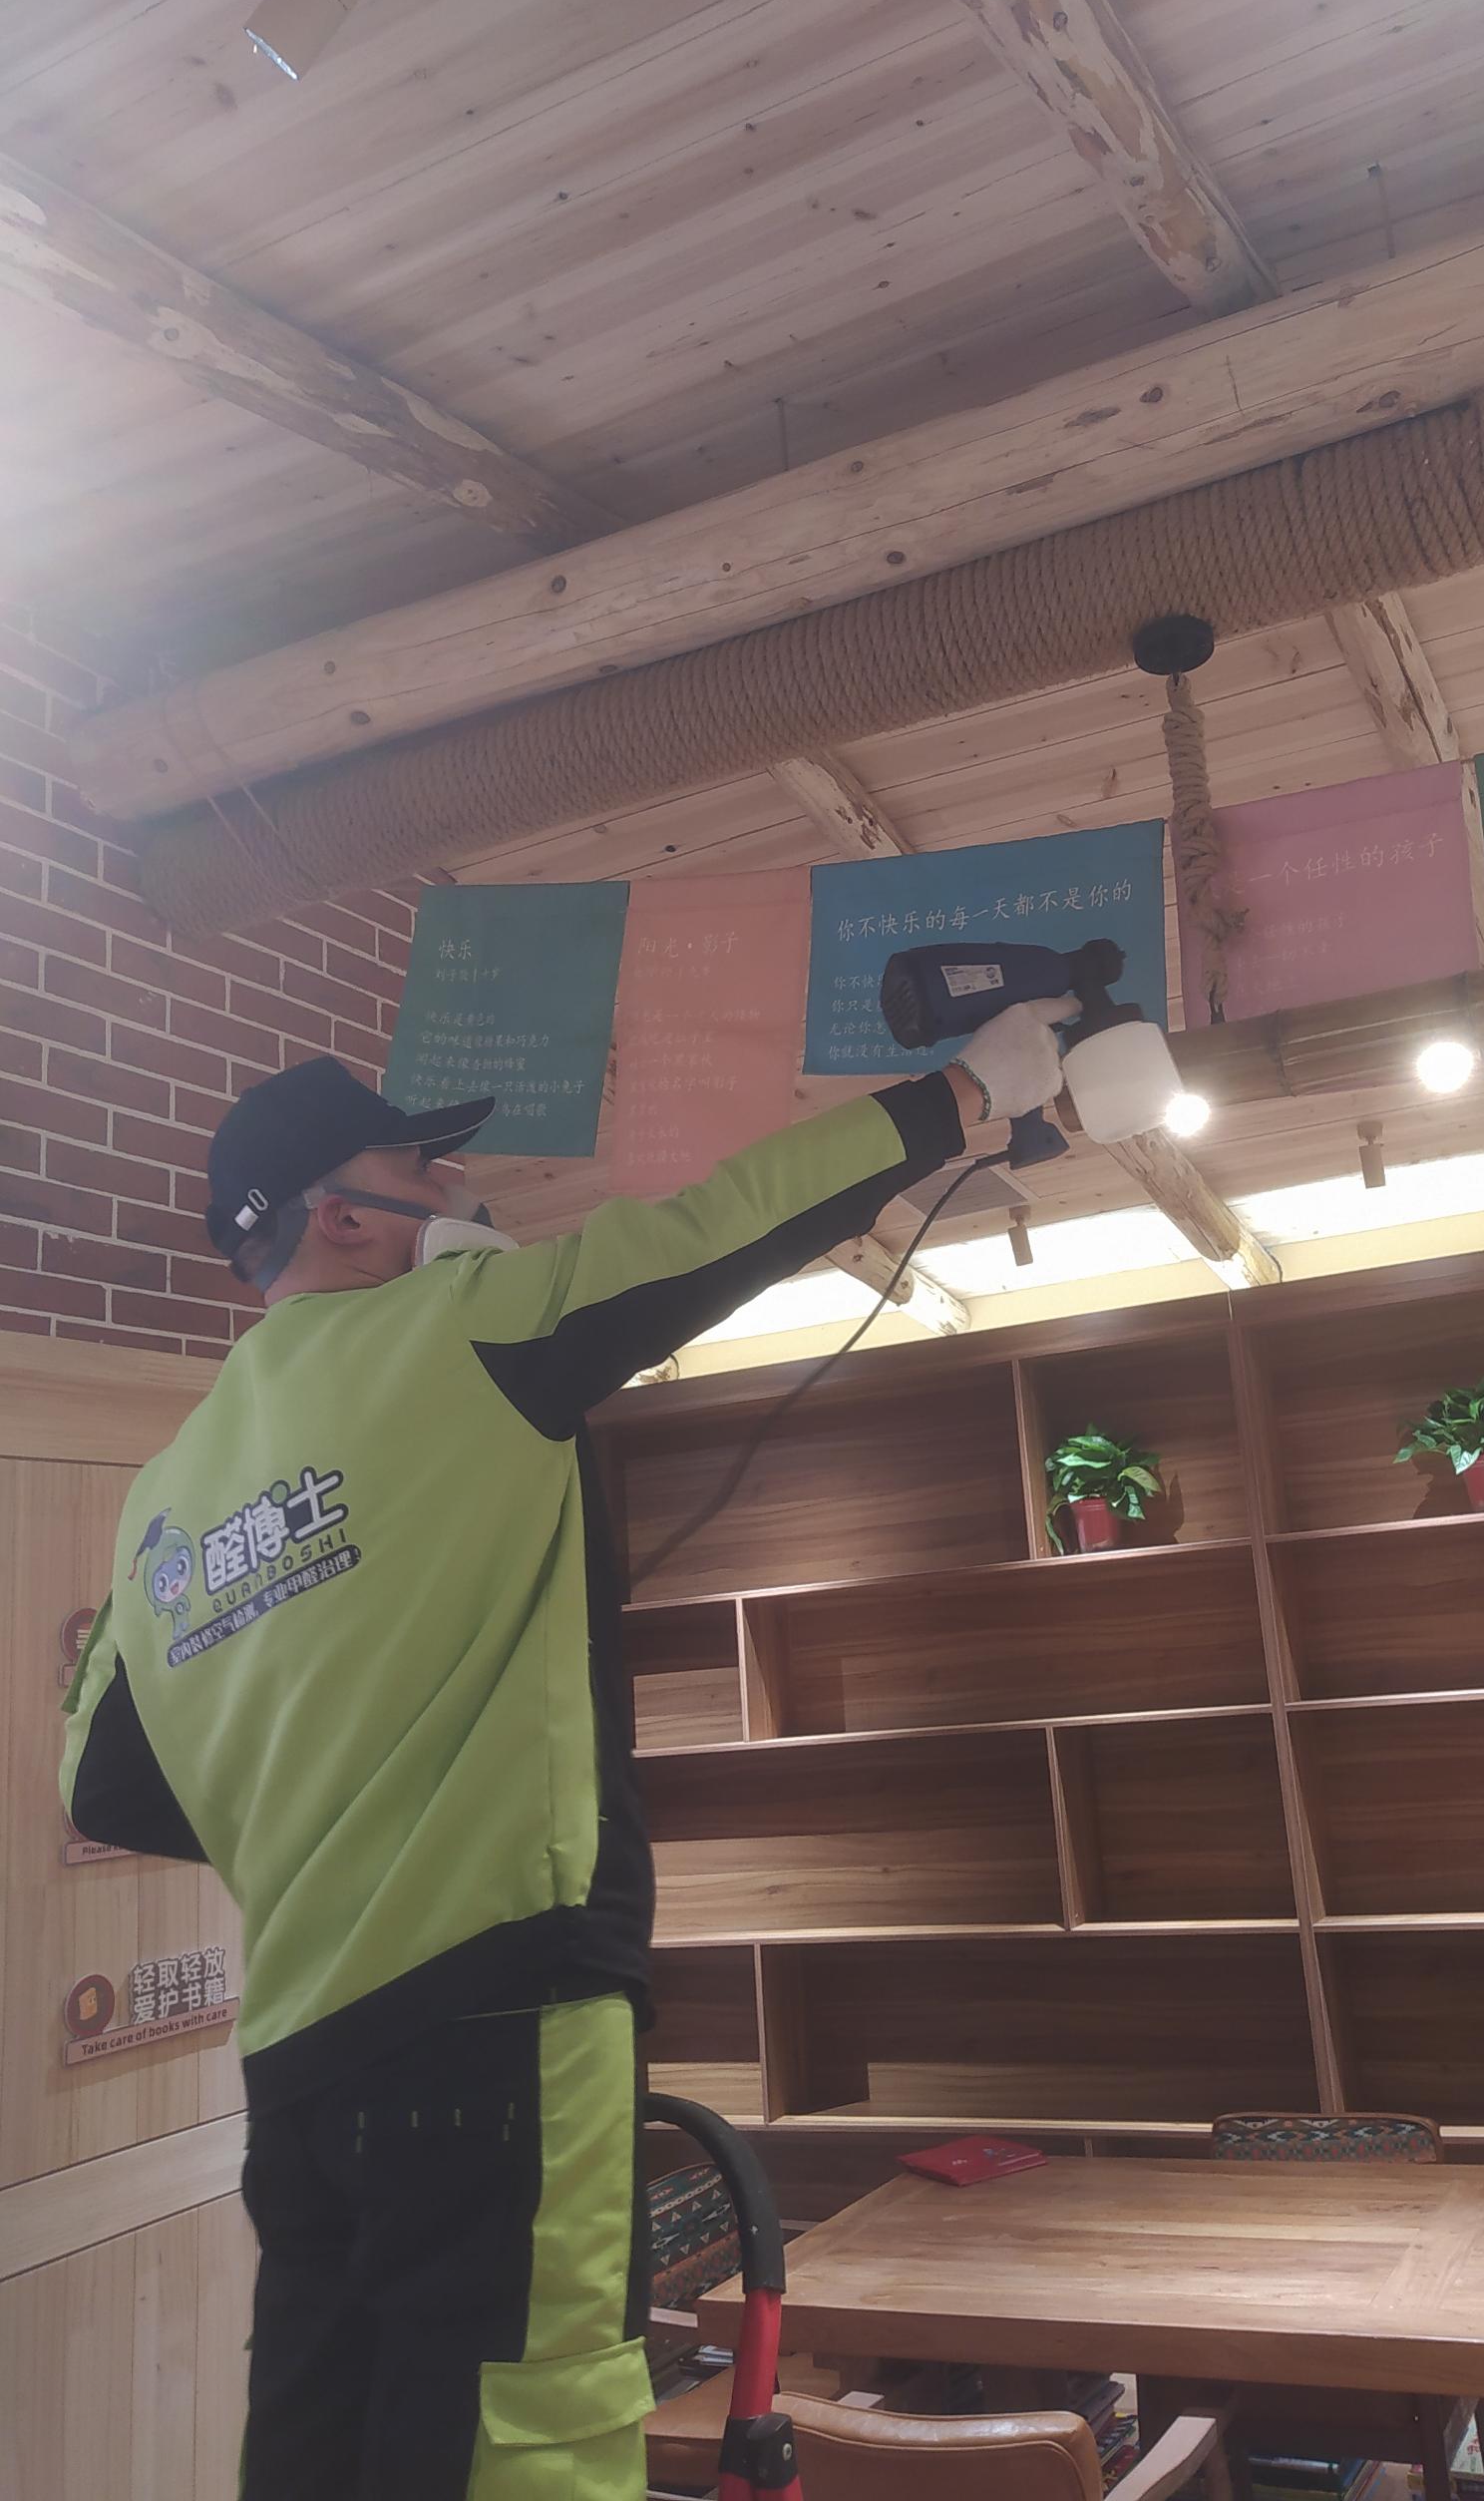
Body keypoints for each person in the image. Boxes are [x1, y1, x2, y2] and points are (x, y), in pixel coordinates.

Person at [60, 1003, 1072, 2501]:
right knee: (526, 2432)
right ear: (345, 1216)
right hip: (496, 2014)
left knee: (323, 2440)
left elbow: (104, 1783)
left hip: (298, 2071)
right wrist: (963, 1092)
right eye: (427, 1168)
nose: (464, 1189)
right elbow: (716, 1229)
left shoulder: (166, 1494)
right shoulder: (461, 1324)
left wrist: (310, 1774)